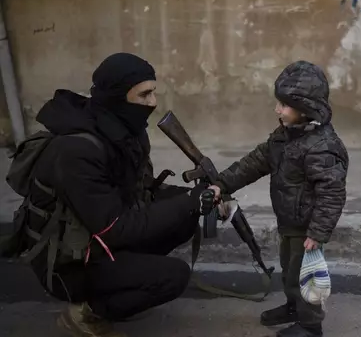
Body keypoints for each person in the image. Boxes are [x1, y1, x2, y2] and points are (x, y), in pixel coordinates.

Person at [16, 53, 219, 337]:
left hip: (97, 241)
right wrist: (189, 201)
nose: (153, 103)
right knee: (174, 276)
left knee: (185, 217)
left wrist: (198, 197)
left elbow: (143, 189)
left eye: (153, 92)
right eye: (144, 94)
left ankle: (122, 289)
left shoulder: (123, 130)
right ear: (117, 97)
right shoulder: (78, 151)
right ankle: (86, 313)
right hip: (68, 264)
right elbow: (115, 228)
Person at [209, 60, 349, 337]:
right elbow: (255, 162)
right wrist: (221, 183)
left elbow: (332, 193)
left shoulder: (322, 147)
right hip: (289, 221)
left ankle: (310, 327)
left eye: (284, 105)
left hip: (306, 227)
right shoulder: (284, 136)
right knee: (289, 270)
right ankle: (293, 306)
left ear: (305, 108)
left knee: (305, 275)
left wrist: (318, 232)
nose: (277, 110)